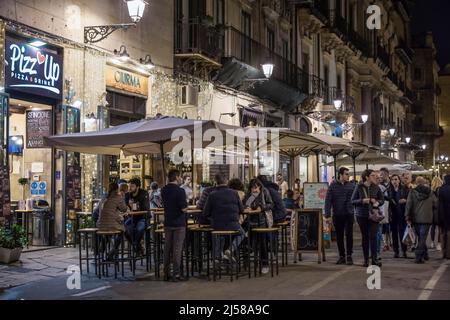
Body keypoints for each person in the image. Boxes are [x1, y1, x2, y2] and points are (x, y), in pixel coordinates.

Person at [204, 174, 245, 262]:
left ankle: (216, 259)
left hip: (217, 225)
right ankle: (230, 250)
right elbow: (242, 209)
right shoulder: (234, 193)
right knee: (242, 234)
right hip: (233, 225)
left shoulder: (212, 195)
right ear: (226, 181)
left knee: (218, 234)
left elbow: (206, 213)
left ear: (216, 182)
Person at [351, 169, 384, 267]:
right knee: (365, 237)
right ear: (367, 177)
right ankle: (366, 260)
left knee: (373, 237)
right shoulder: (359, 187)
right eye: (373, 176)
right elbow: (352, 201)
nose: (375, 177)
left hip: (374, 215)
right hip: (362, 215)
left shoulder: (376, 187)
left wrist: (376, 202)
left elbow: (382, 200)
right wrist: (362, 201)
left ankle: (374, 260)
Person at [161, 169, 188, 281]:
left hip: (168, 222)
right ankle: (176, 274)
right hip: (178, 223)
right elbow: (184, 208)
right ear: (177, 177)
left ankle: (166, 273)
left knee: (167, 248)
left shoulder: (163, 190)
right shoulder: (180, 191)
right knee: (177, 249)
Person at [324, 167, 355, 265]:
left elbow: (355, 199)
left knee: (349, 235)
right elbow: (328, 201)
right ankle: (342, 256)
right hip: (337, 214)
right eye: (346, 174)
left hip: (349, 214)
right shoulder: (332, 186)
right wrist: (328, 215)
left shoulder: (351, 186)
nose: (348, 176)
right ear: (340, 175)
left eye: (348, 174)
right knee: (339, 236)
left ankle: (349, 255)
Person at [405, 176, 438, 264]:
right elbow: (436, 203)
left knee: (420, 237)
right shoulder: (430, 192)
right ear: (424, 182)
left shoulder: (412, 192)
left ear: (416, 182)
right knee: (422, 238)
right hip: (427, 218)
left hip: (415, 218)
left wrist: (407, 216)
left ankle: (423, 254)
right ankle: (420, 256)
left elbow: (408, 204)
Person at [244, 178, 273, 274]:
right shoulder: (249, 194)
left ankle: (265, 264)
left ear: (260, 187)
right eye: (252, 188)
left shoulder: (264, 192)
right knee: (248, 241)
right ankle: (248, 260)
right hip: (251, 221)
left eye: (256, 187)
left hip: (262, 221)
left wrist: (262, 208)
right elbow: (245, 204)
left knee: (263, 243)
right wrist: (247, 207)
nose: (254, 190)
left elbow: (271, 204)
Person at [96, 183, 129, 260]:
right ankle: (112, 252)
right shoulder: (118, 197)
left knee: (108, 234)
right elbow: (123, 209)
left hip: (100, 225)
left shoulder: (104, 197)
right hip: (111, 224)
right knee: (122, 231)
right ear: (117, 189)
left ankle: (101, 252)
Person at [124, 178, 149, 255]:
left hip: (143, 217)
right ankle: (138, 246)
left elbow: (145, 208)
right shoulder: (127, 195)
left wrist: (133, 207)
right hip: (132, 218)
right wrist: (128, 209)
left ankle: (136, 246)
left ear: (137, 187)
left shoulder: (144, 193)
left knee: (139, 229)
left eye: (132, 186)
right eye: (129, 186)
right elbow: (125, 207)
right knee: (125, 229)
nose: (129, 188)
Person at [388, 174, 409, 258]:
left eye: (396, 179)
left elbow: (410, 200)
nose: (394, 181)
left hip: (402, 214)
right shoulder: (389, 190)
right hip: (393, 215)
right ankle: (396, 251)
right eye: (393, 179)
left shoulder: (404, 189)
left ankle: (404, 251)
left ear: (399, 180)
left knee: (402, 233)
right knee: (394, 234)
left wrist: (405, 200)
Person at [438, 174, 450, 259]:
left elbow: (439, 204)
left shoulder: (441, 189)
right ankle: (449, 253)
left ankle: (443, 252)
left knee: (443, 234)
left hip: (443, 214)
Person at [430, 176, 443, 250]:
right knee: (440, 228)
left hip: (432, 211)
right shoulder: (440, 191)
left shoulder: (431, 192)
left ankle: (432, 242)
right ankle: (439, 243)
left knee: (433, 227)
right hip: (439, 211)